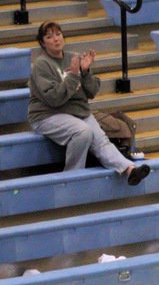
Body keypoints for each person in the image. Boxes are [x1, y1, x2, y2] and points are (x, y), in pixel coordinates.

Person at [27, 21, 150, 184]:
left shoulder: (73, 58)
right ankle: (71, 178)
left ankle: (129, 170)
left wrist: (84, 72)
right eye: (49, 36)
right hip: (48, 115)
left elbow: (91, 92)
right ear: (43, 43)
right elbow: (54, 99)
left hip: (77, 111)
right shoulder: (41, 65)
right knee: (83, 131)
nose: (56, 39)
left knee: (101, 140)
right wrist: (73, 75)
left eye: (58, 34)